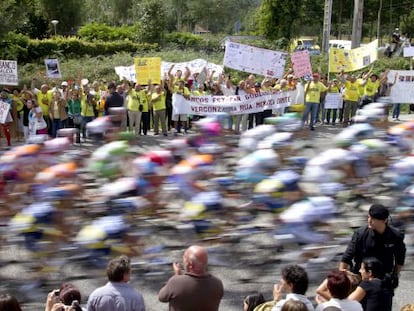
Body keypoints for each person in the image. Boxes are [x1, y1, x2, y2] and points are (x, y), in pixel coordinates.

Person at [339, 204, 406, 309]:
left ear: (384, 220)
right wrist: (343, 276)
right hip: (362, 281)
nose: (369, 220)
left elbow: (400, 259)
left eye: (373, 218)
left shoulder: (395, 236)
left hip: (383, 282)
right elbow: (347, 257)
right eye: (369, 217)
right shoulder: (360, 234)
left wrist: (395, 275)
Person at [158, 245, 224, 311]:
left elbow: (161, 297)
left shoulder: (175, 282)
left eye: (184, 258)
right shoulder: (217, 283)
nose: (183, 261)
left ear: (190, 264)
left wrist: (176, 276)